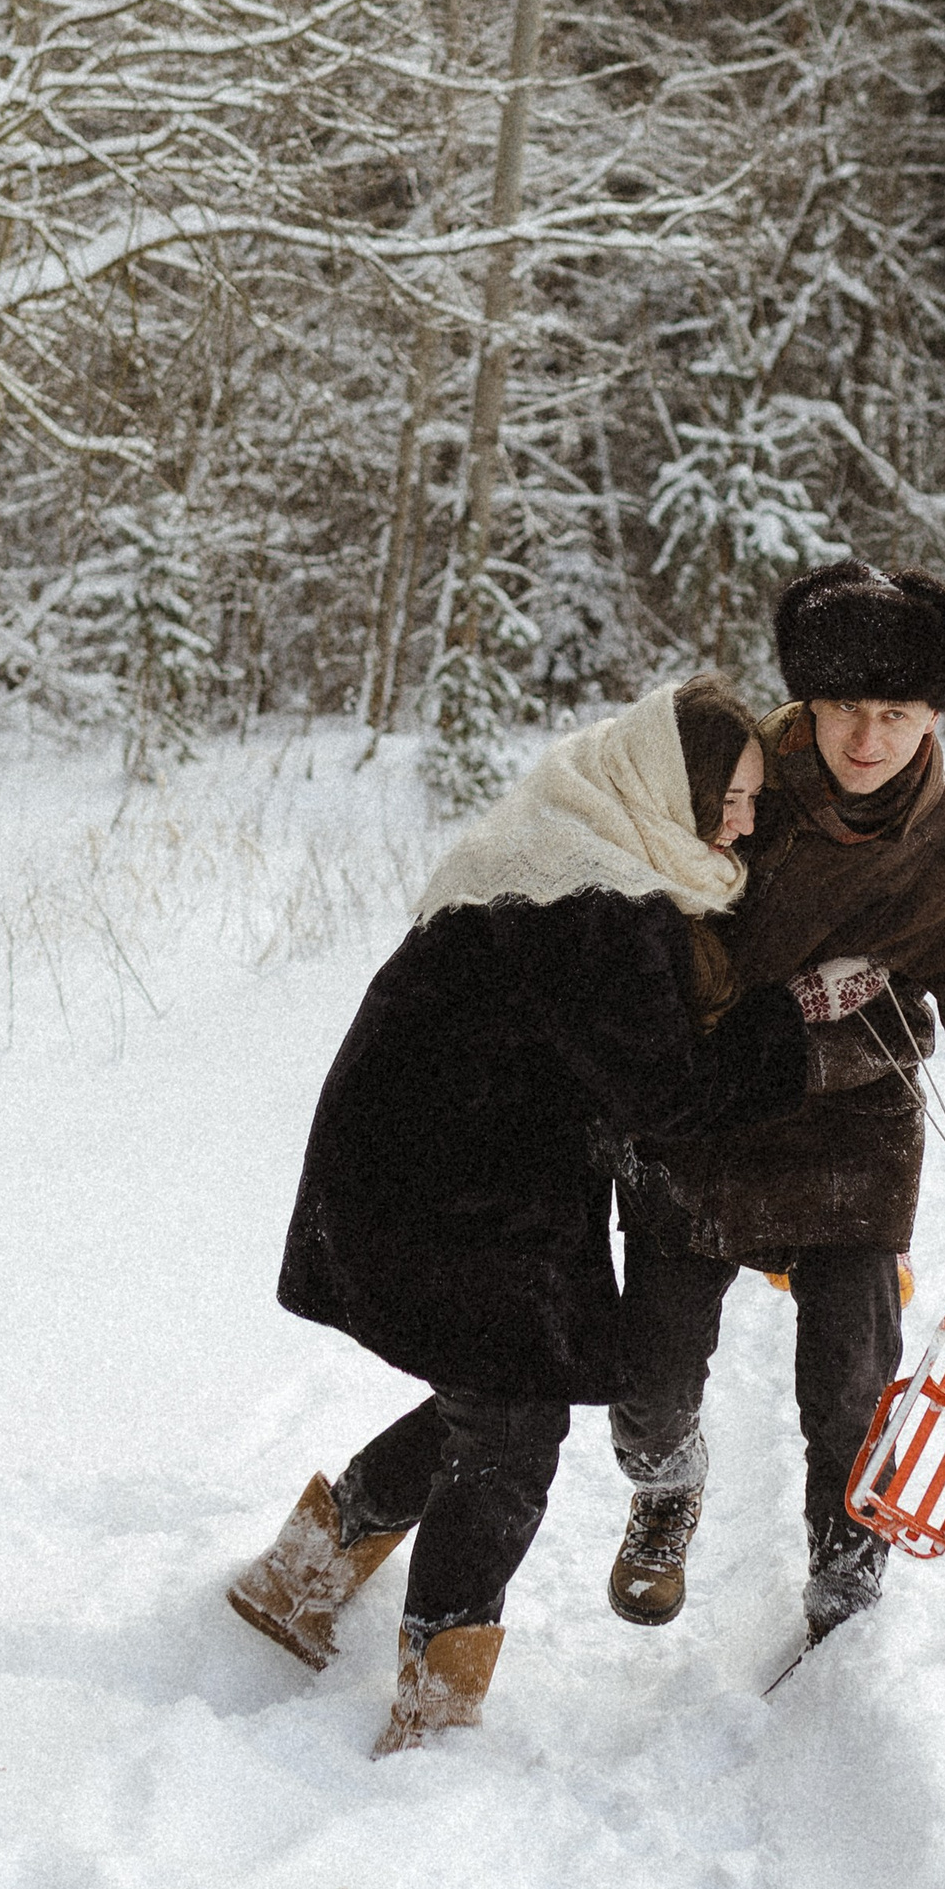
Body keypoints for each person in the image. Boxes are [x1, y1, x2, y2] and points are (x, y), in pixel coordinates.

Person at [227, 675, 815, 1753]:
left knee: (493, 1394)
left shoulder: (558, 839)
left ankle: (303, 1573)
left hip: (422, 1161)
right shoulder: (595, 901)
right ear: (668, 783)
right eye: (729, 794)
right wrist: (802, 1026)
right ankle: (434, 1702)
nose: (742, 818)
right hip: (457, 1186)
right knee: (512, 1422)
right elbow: (666, 1091)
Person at [605, 560, 945, 1649]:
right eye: (845, 711)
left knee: (852, 1379)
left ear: (934, 715)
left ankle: (845, 1570)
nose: (868, 740)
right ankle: (666, 1483)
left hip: (846, 1125)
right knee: (651, 1372)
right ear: (807, 705)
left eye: (897, 714)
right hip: (701, 1113)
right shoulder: (726, 783)